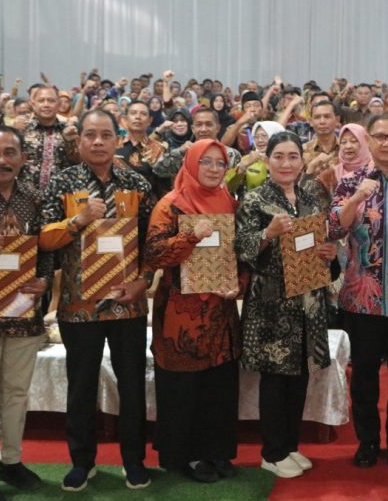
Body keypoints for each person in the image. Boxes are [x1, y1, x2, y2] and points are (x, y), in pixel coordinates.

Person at [39, 109, 155, 492]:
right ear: (79, 140)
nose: (99, 142)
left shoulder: (136, 183)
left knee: (132, 385)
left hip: (127, 302)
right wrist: (79, 220)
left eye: (106, 134)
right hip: (79, 305)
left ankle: (134, 461)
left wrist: (143, 281)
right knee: (81, 386)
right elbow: (44, 238)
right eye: (91, 134)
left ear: (117, 139)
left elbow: (153, 242)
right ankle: (82, 462)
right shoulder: (63, 182)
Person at [235, 131, 338, 479]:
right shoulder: (254, 199)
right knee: (275, 379)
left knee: (299, 376)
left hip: (308, 301)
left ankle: (291, 446)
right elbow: (242, 249)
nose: (286, 163)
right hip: (271, 304)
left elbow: (321, 241)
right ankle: (272, 452)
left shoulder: (311, 198)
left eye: (293, 156)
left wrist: (329, 253)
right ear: (267, 161)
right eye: (278, 156)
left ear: (302, 161)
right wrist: (268, 234)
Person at [328, 113, 388, 469]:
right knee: (364, 375)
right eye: (380, 136)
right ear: (368, 140)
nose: (386, 142)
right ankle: (367, 440)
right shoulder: (350, 181)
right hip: (360, 296)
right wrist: (357, 198)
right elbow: (333, 229)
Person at [144, 140, 243, 483]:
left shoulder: (229, 202)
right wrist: (189, 237)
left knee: (218, 387)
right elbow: (154, 254)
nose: (214, 169)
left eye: (220, 163)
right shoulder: (171, 205)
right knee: (184, 389)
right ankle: (181, 457)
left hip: (220, 313)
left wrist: (239, 283)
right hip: (181, 318)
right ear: (190, 164)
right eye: (206, 162)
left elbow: (237, 252)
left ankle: (216, 452)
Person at [0, 127, 52, 501]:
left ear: (23, 158)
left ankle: (12, 461)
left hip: (23, 312)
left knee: (17, 392)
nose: (2, 160)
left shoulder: (37, 199)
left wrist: (44, 280)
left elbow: (49, 249)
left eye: (10, 152)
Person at [22, 84, 79, 191]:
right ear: (33, 104)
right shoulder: (22, 130)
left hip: (60, 194)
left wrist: (70, 142)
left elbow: (78, 162)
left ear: (58, 104)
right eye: (41, 101)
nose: (46, 105)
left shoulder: (69, 130)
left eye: (51, 101)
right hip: (27, 195)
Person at [114, 101, 166, 201]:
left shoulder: (158, 149)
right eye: (133, 113)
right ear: (125, 119)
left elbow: (164, 186)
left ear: (150, 120)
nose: (138, 117)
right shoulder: (113, 144)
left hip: (149, 206)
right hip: (115, 204)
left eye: (143, 114)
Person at [224, 121, 285, 197]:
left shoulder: (285, 161)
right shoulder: (248, 159)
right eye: (256, 137)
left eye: (264, 136)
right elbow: (227, 187)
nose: (259, 140)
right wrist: (241, 168)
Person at [317, 123, 370, 194]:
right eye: (343, 142)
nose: (348, 146)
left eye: (353, 141)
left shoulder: (376, 172)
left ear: (364, 142)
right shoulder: (328, 176)